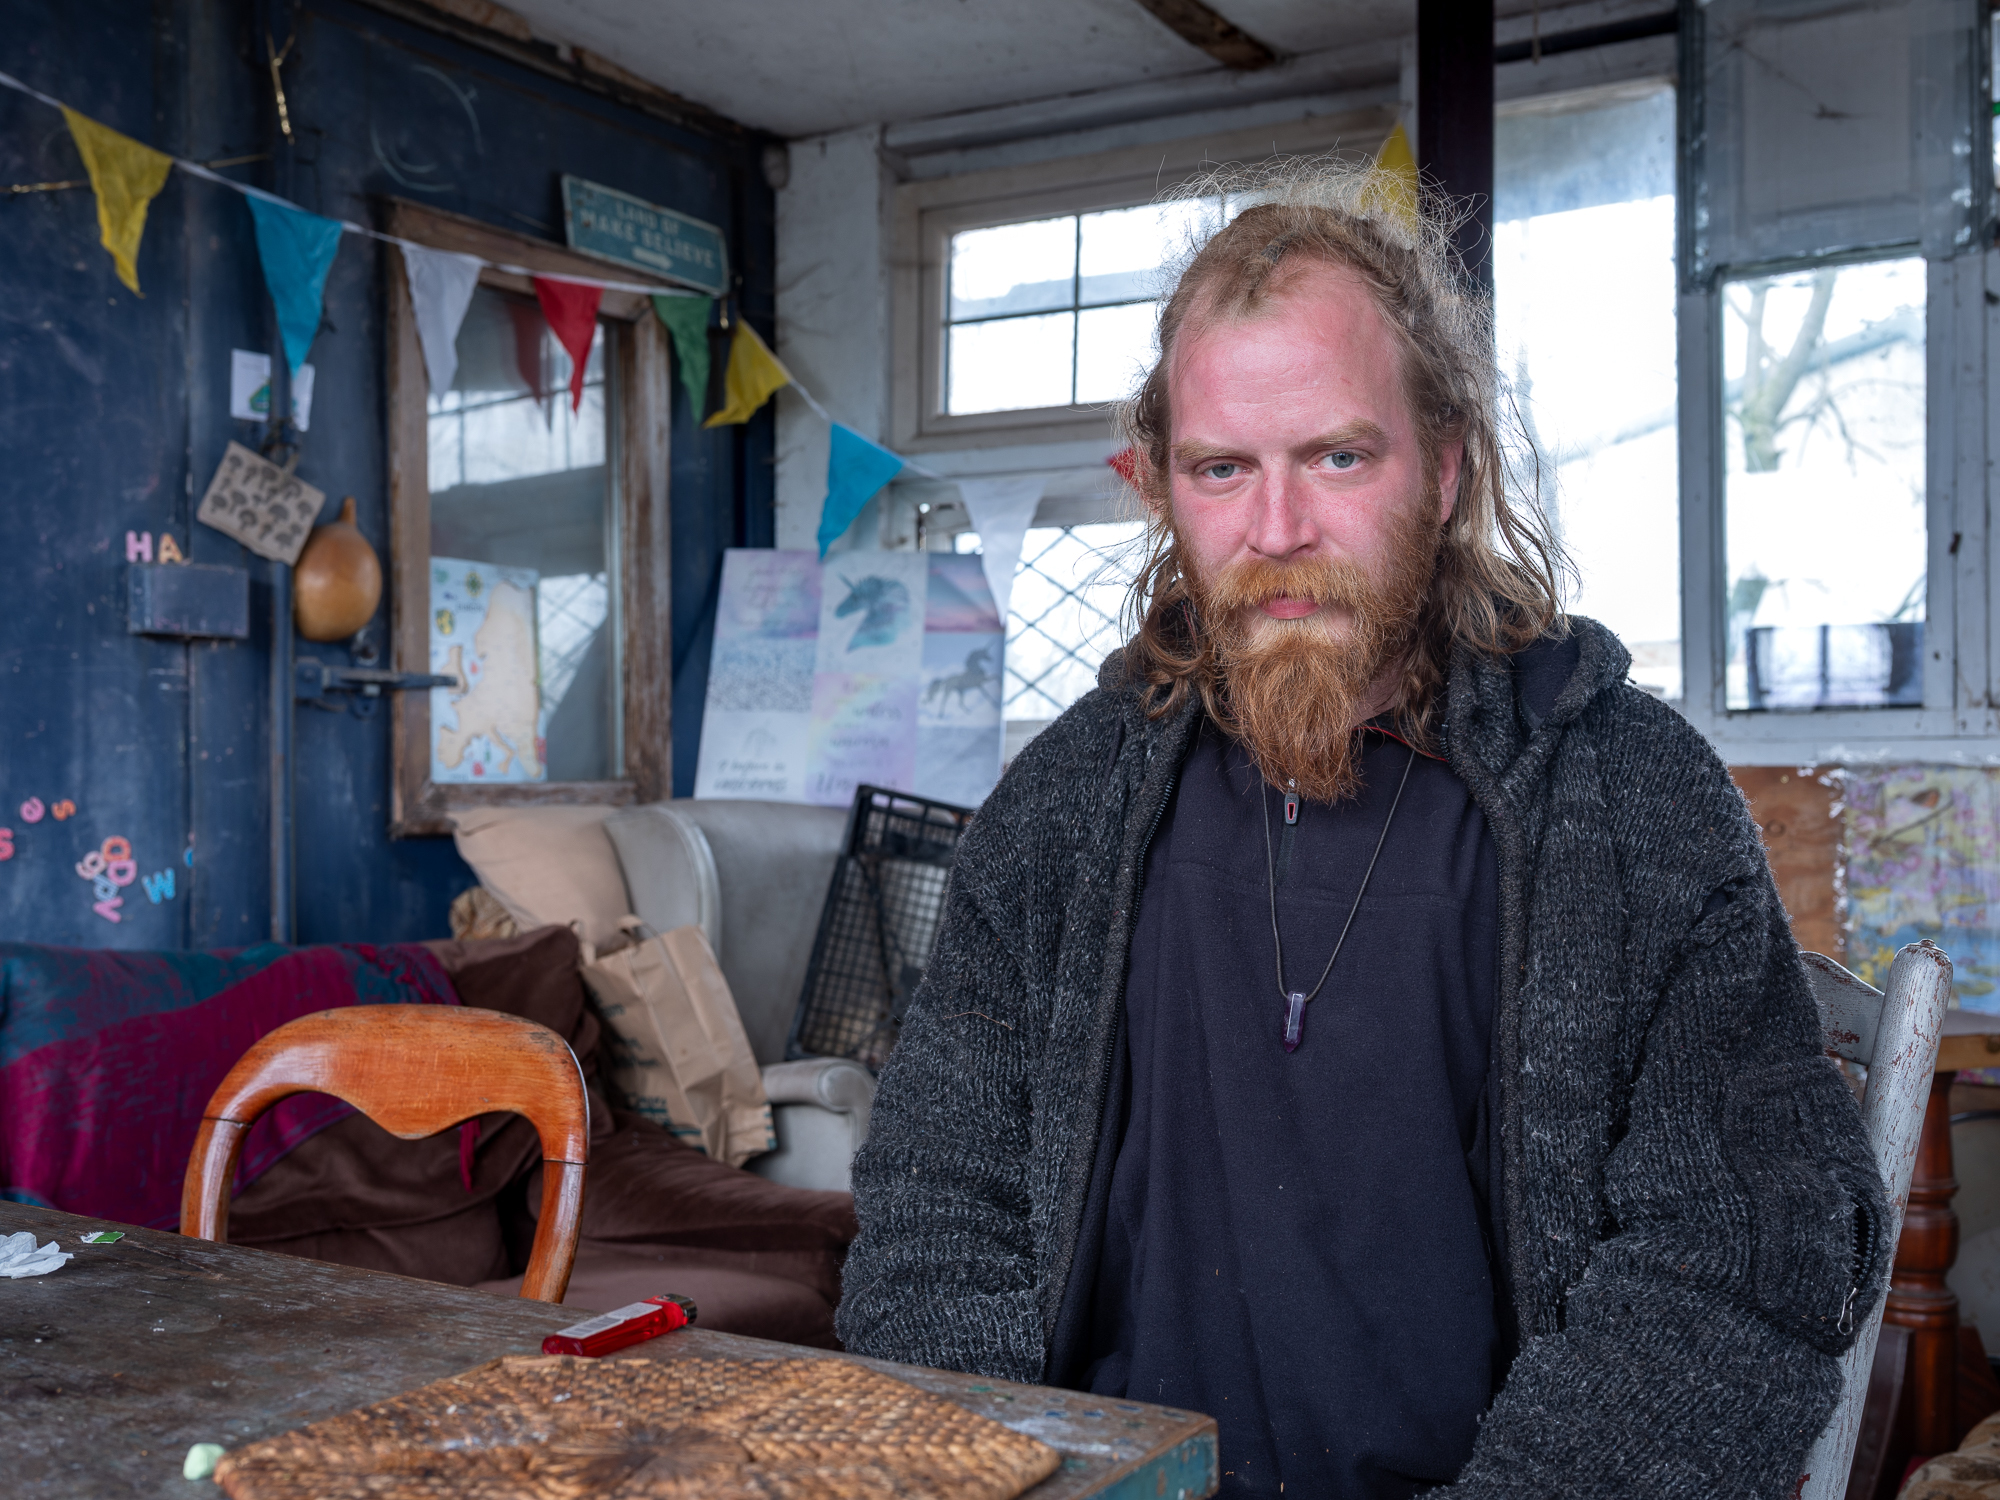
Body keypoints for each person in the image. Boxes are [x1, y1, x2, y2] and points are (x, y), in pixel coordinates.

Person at [834, 161, 1888, 1500]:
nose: (1278, 530)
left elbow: (1737, 1252)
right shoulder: (1062, 808)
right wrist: (1014, 1477)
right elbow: (936, 1209)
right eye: (1223, 468)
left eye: (1338, 456)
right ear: (1160, 487)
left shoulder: (1631, 800)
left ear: (1443, 470)